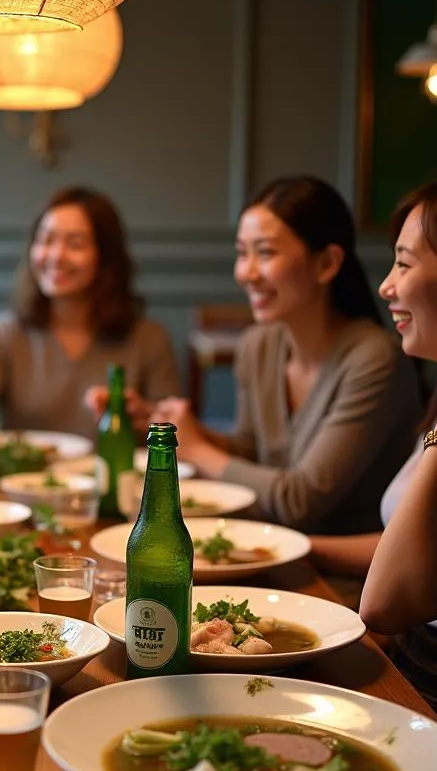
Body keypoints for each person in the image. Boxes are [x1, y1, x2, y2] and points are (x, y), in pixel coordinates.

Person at [150, 176, 421, 535]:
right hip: (272, 550)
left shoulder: (374, 359)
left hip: (350, 578)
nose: (245, 272)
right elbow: (250, 452)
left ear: (326, 263)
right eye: (241, 252)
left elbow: (300, 502)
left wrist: (199, 450)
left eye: (264, 253)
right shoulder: (258, 345)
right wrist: (183, 433)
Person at [347, 170, 437, 765]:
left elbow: (385, 603)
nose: (385, 286)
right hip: (411, 670)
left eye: (405, 264)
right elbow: (404, 544)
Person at [0, 186, 181, 442]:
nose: (57, 256)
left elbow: (172, 440)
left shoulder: (150, 339)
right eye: (46, 240)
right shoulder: (2, 334)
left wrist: (141, 415)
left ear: (105, 257)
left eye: (75, 244)